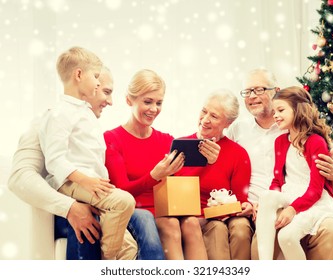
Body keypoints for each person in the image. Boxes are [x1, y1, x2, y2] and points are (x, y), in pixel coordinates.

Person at [8, 66, 138, 260]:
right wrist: (69, 207)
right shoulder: (49, 120)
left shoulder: (89, 130)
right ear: (84, 85)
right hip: (62, 207)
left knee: (143, 219)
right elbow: (19, 178)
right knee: (90, 218)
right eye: (105, 91)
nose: (111, 102)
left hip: (92, 200)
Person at [225, 68, 333, 260]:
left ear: (276, 92)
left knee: (328, 231)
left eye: (259, 89)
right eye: (247, 92)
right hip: (266, 206)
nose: (252, 96)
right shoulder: (238, 129)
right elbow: (274, 178)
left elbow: (322, 183)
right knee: (269, 210)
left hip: (306, 201)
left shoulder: (306, 136)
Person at [104, 69, 220, 260]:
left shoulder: (166, 140)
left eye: (159, 103)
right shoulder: (112, 139)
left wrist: (209, 163)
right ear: (129, 100)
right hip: (138, 212)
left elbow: (181, 183)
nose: (154, 109)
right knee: (171, 225)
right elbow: (121, 192)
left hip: (166, 209)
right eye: (147, 102)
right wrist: (154, 176)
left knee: (191, 222)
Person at [38, 46, 135, 260]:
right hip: (73, 183)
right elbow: (55, 160)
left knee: (129, 248)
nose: (99, 83)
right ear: (79, 75)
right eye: (96, 77)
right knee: (124, 202)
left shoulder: (85, 112)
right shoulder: (59, 113)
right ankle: (105, 260)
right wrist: (87, 181)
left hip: (90, 183)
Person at [162, 89, 253, 260]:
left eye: (214, 116)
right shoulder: (180, 146)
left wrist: (243, 207)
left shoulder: (238, 154)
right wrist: (206, 163)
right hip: (189, 219)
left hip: (220, 217)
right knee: (217, 229)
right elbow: (170, 193)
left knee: (240, 228)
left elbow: (239, 200)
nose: (205, 120)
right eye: (204, 111)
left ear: (228, 123)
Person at [255, 86, 333, 260]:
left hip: (314, 201)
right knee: (266, 197)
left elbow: (316, 189)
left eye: (280, 110)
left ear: (297, 109)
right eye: (274, 111)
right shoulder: (280, 141)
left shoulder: (315, 142)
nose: (275, 115)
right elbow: (277, 180)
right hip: (289, 194)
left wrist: (293, 209)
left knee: (287, 237)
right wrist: (269, 202)